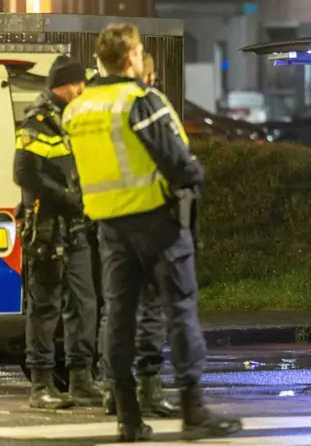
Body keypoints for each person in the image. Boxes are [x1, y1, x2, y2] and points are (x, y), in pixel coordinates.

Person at [62, 23, 241, 442]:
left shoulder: (79, 109)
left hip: (109, 228)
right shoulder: (137, 100)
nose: (142, 59)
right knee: (179, 311)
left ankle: (127, 418)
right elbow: (178, 162)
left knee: (117, 320)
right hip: (157, 223)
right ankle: (193, 413)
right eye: (140, 51)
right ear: (130, 58)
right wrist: (197, 175)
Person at [13, 55, 103, 409]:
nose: (83, 89)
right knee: (45, 308)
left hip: (76, 229)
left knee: (85, 304)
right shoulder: (38, 120)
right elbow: (25, 174)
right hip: (47, 231)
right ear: (67, 84)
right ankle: (41, 386)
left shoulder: (73, 119)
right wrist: (66, 199)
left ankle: (82, 380)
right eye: (79, 84)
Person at [98, 51, 179, 419]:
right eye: (154, 74)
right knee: (149, 311)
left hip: (110, 222)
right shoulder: (147, 108)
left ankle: (115, 390)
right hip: (146, 222)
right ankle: (147, 387)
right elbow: (174, 162)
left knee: (115, 312)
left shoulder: (98, 110)